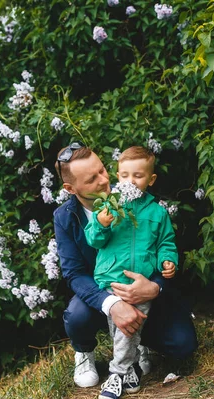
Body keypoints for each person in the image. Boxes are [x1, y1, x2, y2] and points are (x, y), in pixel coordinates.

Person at [53, 142, 197, 392]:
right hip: (102, 291)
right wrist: (112, 304)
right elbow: (74, 273)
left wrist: (155, 286)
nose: (104, 180)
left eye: (102, 170)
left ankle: (141, 345)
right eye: (92, 179)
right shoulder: (65, 217)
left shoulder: (137, 202)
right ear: (70, 188)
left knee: (183, 344)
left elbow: (161, 243)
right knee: (76, 315)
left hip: (142, 289)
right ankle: (86, 354)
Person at [84, 146, 178, 399]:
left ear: (151, 179)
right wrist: (102, 224)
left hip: (141, 283)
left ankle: (117, 373)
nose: (130, 181)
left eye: (138, 176)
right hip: (111, 280)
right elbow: (93, 240)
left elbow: (165, 242)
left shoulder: (157, 212)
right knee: (121, 326)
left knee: (128, 327)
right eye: (124, 175)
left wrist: (167, 260)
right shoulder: (106, 205)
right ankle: (132, 366)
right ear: (117, 176)